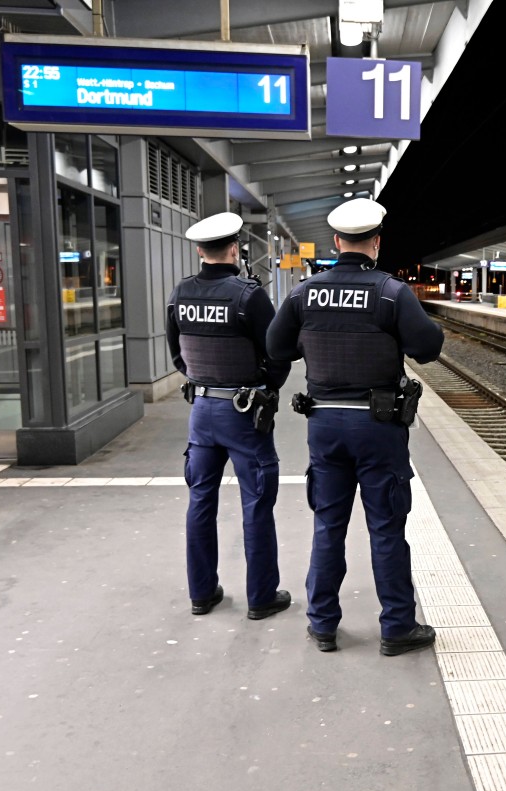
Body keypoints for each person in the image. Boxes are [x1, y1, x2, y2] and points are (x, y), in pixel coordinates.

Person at [266, 197, 444, 656]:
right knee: (386, 528)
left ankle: (323, 624)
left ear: (336, 242)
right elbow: (427, 348)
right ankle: (397, 628)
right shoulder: (391, 293)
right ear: (377, 243)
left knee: (329, 525)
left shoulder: (305, 292)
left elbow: (275, 347)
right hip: (377, 427)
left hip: (324, 424)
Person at [166, 211, 293, 621]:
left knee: (200, 499)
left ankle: (201, 593)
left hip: (202, 412)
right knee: (256, 502)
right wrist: (265, 387)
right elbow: (277, 352)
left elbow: (177, 355)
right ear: (235, 250)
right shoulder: (247, 295)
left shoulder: (180, 294)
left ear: (200, 251)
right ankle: (261, 597)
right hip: (243, 413)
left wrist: (201, 381)